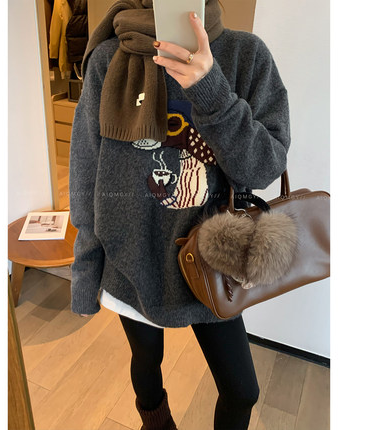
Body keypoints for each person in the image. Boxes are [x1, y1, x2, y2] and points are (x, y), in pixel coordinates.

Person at [68, 0, 291, 429]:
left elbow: (264, 169)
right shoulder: (107, 59)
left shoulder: (246, 55)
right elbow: (85, 172)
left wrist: (211, 91)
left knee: (242, 390)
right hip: (129, 260)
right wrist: (84, 273)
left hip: (212, 263)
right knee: (146, 364)